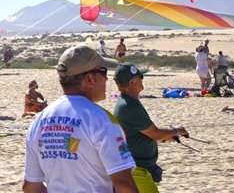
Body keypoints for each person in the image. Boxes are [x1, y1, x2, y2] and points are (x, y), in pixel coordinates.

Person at [22, 44, 137, 193]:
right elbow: (124, 185)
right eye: (103, 71)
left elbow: (31, 186)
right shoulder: (101, 119)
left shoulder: (39, 121)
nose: (107, 79)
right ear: (89, 78)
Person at [113, 62, 189, 193]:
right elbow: (156, 134)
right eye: (140, 77)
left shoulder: (130, 102)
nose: (142, 79)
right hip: (137, 169)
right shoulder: (129, 106)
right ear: (131, 82)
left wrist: (168, 136)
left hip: (138, 168)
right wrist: (178, 130)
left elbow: (144, 132)